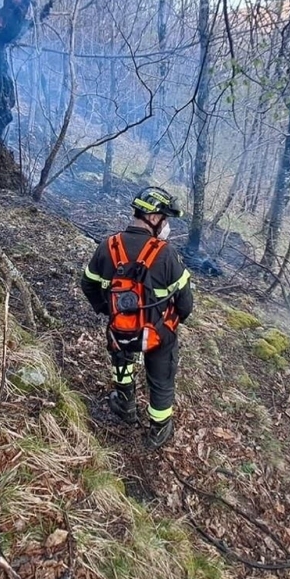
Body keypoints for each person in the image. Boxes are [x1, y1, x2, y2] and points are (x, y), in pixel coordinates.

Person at [80, 187, 193, 450]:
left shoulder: (108, 246)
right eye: (165, 219)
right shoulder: (166, 255)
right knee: (161, 377)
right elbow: (186, 304)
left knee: (121, 356)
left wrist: (109, 311)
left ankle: (125, 403)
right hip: (157, 335)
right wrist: (169, 322)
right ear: (153, 218)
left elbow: (87, 284)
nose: (166, 226)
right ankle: (159, 429)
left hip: (120, 331)